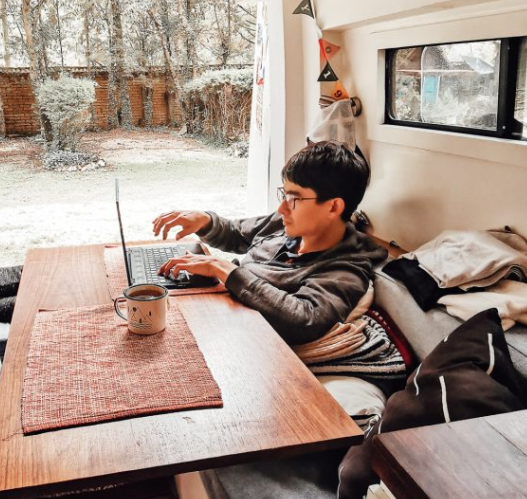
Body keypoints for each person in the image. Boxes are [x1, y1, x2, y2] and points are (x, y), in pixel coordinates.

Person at [153, 141, 388, 349]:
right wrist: (204, 221)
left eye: (294, 198)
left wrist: (225, 270)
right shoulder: (287, 224)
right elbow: (237, 234)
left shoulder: (346, 270)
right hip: (213, 312)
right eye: (284, 195)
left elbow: (304, 320)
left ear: (334, 207)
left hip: (238, 341)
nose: (281, 209)